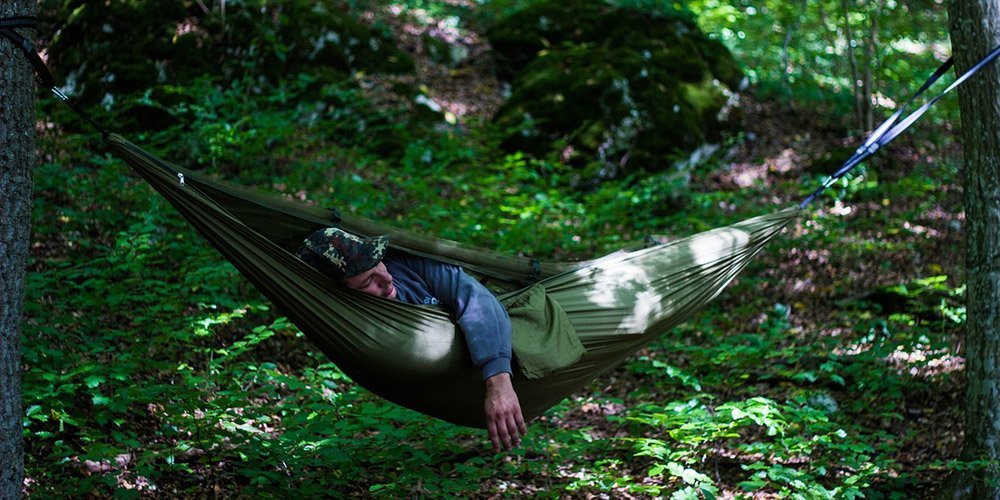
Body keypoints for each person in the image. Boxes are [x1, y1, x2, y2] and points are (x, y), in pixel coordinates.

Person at [297, 227, 526, 452]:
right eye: (368, 282)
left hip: (505, 343)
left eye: (379, 264)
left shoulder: (407, 264)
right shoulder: (349, 321)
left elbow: (475, 299)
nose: (386, 279)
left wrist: (498, 381)